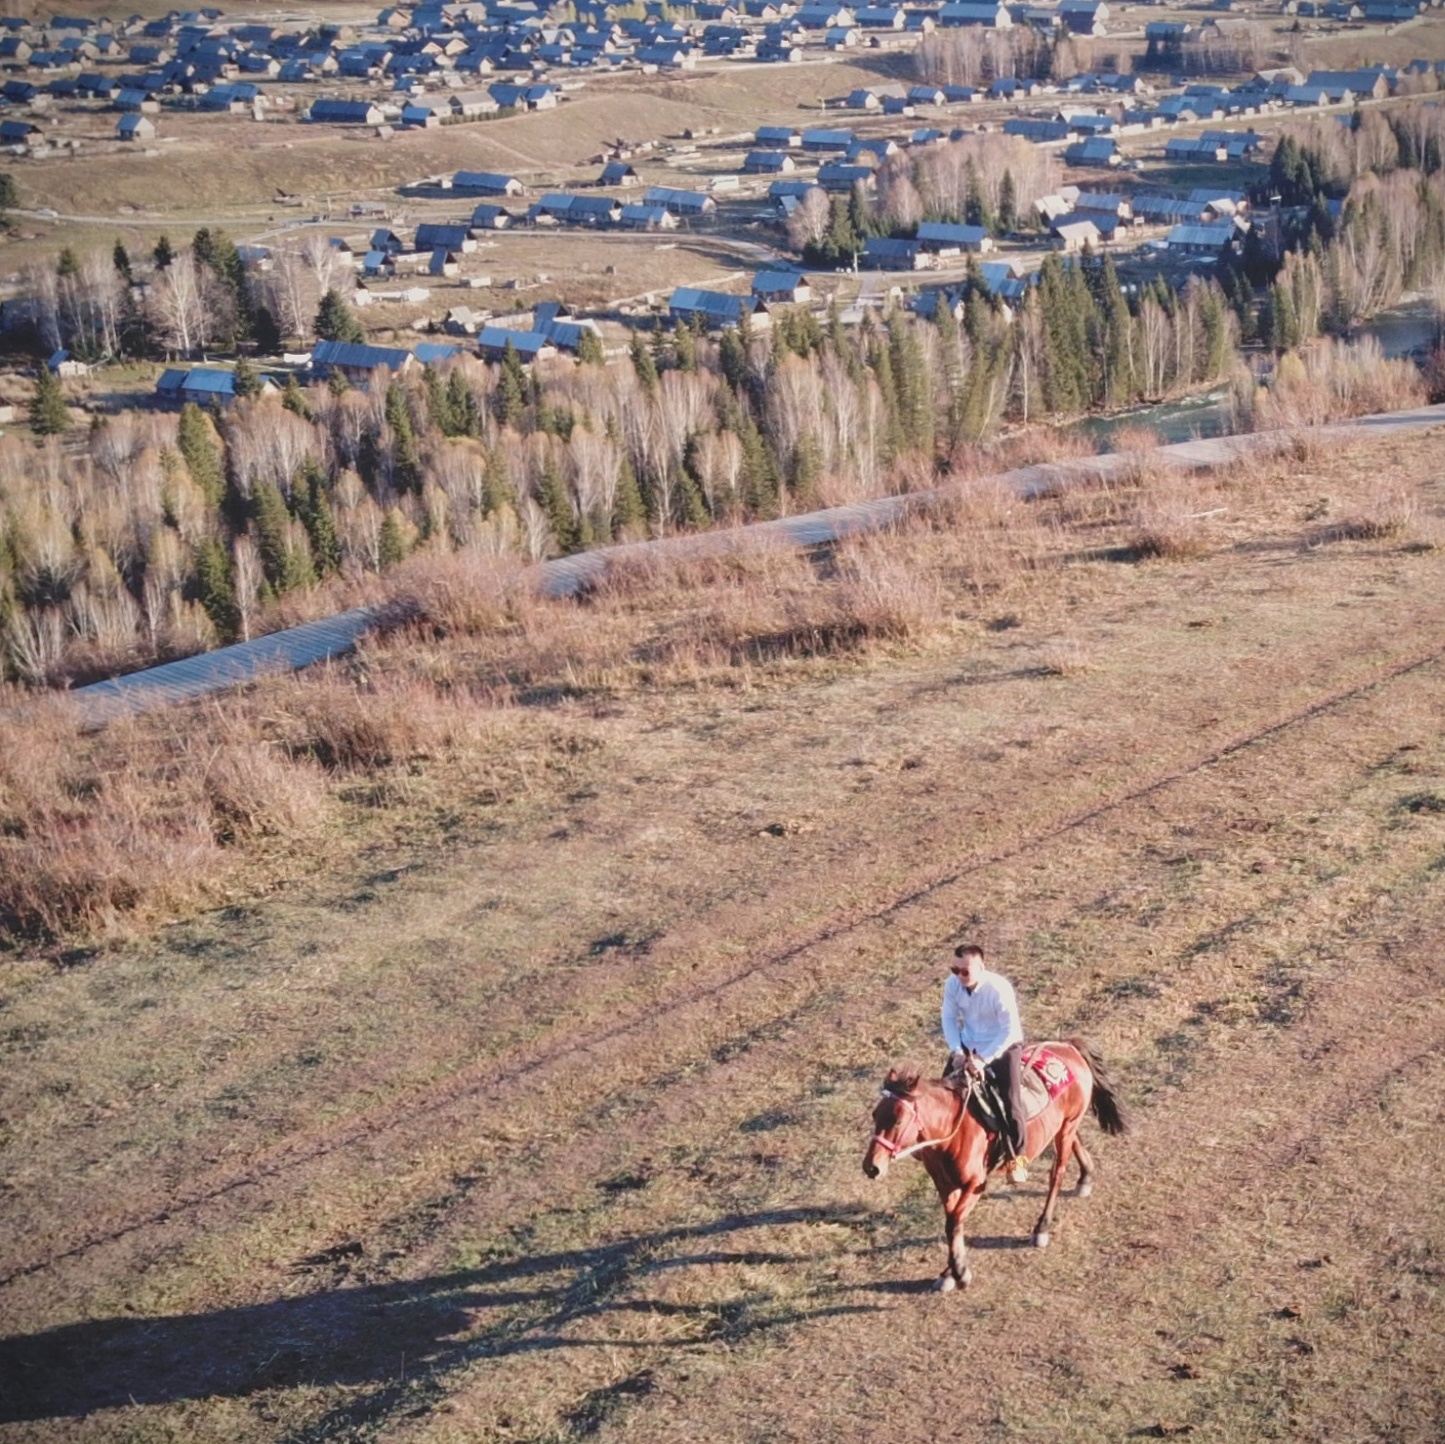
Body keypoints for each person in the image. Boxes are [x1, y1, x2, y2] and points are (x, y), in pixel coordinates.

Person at [941, 942, 1028, 1182]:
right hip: (970, 1046)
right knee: (944, 1090)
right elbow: (948, 1018)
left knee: (1011, 1101)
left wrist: (983, 1060)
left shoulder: (999, 989)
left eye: (965, 971)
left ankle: (1017, 1159)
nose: (959, 976)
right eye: (954, 970)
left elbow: (1008, 1030)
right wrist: (957, 1050)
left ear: (981, 968)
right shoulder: (953, 985)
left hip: (1002, 1047)